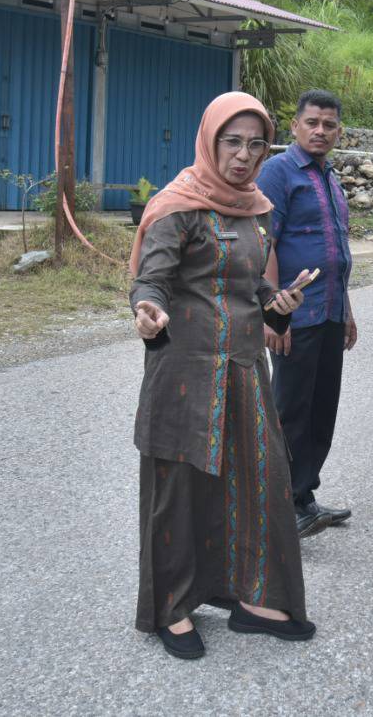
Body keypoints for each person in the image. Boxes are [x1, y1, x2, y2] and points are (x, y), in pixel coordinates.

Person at [129, 91, 314, 661]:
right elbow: (151, 279)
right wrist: (146, 307)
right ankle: (171, 609)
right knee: (178, 489)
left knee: (257, 479)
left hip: (243, 370)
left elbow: (250, 287)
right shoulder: (177, 206)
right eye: (232, 141)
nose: (244, 155)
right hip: (184, 373)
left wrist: (275, 304)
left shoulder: (256, 208)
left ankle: (250, 596)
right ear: (210, 140)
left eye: (256, 144)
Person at [255, 89, 357, 539]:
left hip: (330, 312)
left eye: (329, 124)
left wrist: (347, 311)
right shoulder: (278, 172)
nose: (320, 131)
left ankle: (304, 497)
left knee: (321, 410)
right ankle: (279, 506)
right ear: (295, 126)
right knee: (290, 411)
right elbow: (266, 243)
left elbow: (337, 252)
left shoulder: (330, 176)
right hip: (295, 314)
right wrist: (273, 313)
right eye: (312, 122)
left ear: (338, 131)